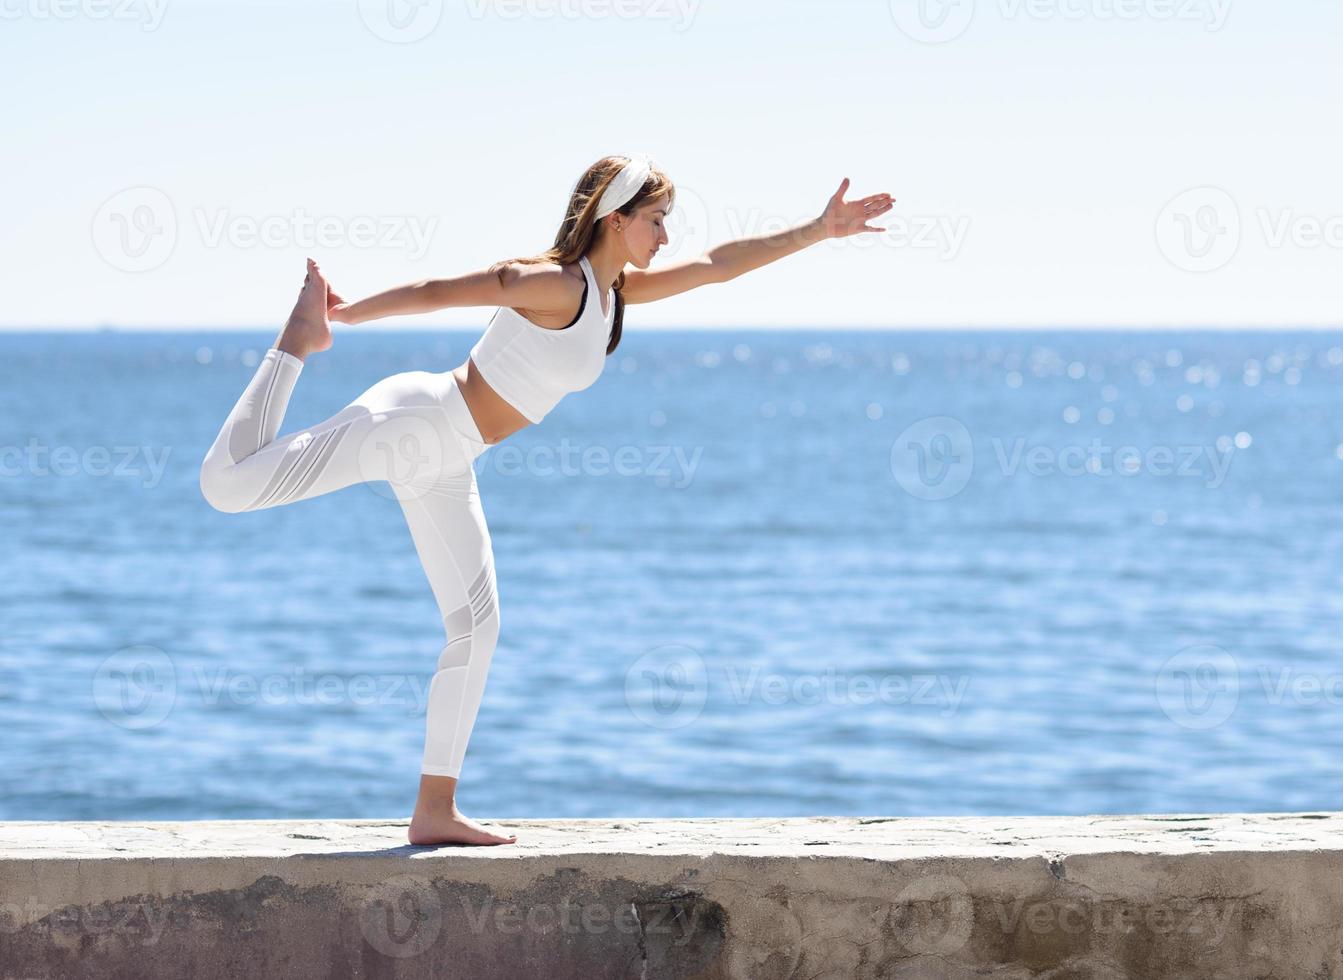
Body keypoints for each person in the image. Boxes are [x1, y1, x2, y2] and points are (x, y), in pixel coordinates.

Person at [199, 153, 895, 845]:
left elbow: (717, 265)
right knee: (226, 485)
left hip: (448, 457)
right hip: (412, 425)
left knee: (477, 627)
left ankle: (434, 810)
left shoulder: (611, 296)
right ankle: (297, 339)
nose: (665, 236)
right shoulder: (557, 287)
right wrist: (349, 317)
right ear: (615, 220)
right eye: (656, 220)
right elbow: (447, 289)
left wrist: (816, 229)